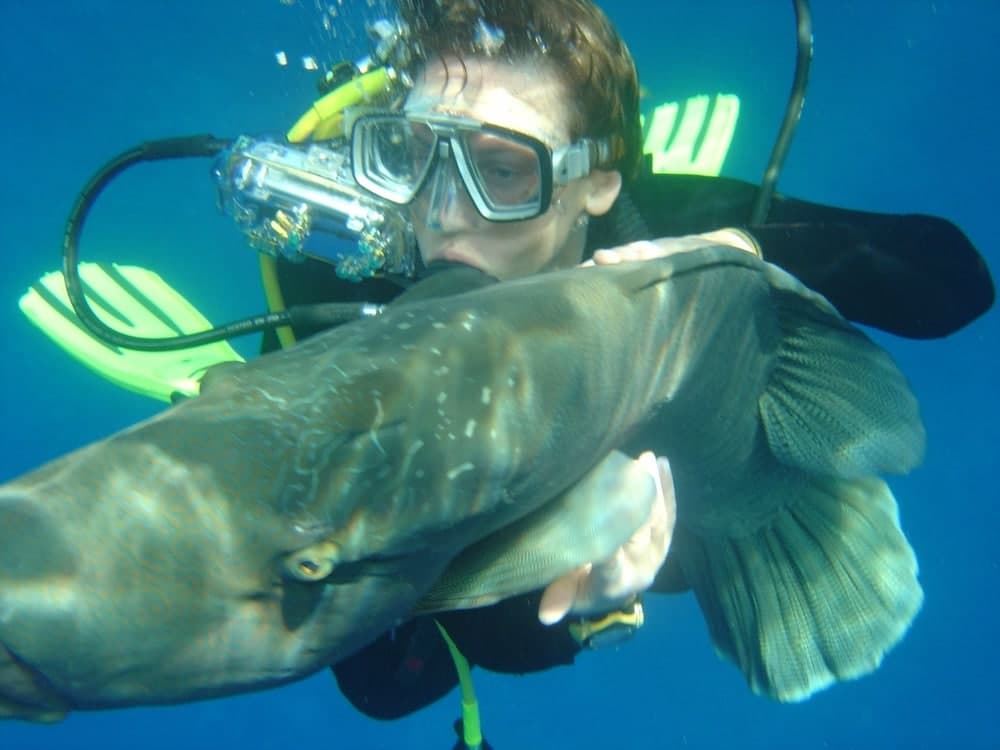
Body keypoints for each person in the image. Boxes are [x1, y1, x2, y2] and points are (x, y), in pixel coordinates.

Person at [256, 0, 994, 725]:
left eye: (503, 171)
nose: (443, 213)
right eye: (415, 155)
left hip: (675, 487)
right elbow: (378, 676)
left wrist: (744, 251)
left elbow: (952, 276)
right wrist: (572, 617)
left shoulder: (667, 225)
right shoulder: (343, 283)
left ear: (599, 182)